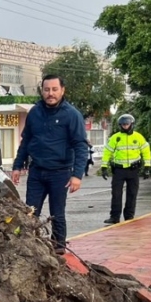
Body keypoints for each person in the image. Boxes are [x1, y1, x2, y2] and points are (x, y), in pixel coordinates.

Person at [10, 75, 90, 255]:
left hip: (60, 173)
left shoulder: (72, 115)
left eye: (54, 89)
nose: (50, 94)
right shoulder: (35, 112)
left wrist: (77, 175)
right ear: (42, 91)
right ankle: (28, 247)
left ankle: (59, 249)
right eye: (47, 90)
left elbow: (80, 146)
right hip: (37, 172)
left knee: (57, 213)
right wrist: (17, 166)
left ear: (62, 90)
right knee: (30, 212)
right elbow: (26, 141)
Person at [100, 114, 151, 225]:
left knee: (132, 194)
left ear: (132, 124)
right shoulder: (115, 138)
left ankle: (129, 216)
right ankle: (114, 217)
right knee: (116, 194)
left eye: (127, 124)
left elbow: (146, 152)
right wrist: (104, 167)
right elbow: (107, 152)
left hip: (133, 170)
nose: (125, 126)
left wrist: (147, 167)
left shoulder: (138, 137)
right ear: (120, 125)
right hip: (119, 170)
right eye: (123, 124)